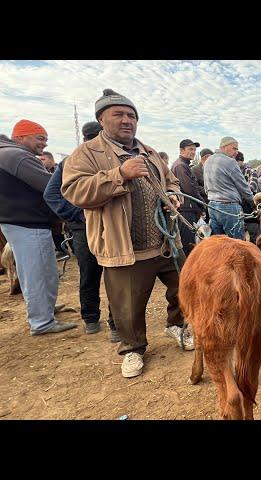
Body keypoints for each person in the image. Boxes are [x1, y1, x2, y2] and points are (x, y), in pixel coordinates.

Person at [62, 89, 193, 379]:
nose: (126, 121)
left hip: (165, 242)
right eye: (118, 114)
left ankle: (177, 325)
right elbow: (74, 191)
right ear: (101, 119)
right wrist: (119, 174)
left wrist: (173, 194)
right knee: (127, 304)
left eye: (131, 115)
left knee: (183, 288)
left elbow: (170, 180)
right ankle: (132, 348)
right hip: (125, 248)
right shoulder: (85, 154)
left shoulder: (148, 151)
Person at [0, 119, 77, 336]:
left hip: (22, 221)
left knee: (45, 269)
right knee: (36, 272)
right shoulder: (17, 156)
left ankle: (45, 309)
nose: (43, 144)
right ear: (21, 136)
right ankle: (42, 322)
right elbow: (51, 185)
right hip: (27, 222)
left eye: (45, 139)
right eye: (39, 138)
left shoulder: (9, 154)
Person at [44, 121, 119, 340]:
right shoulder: (72, 161)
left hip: (110, 227)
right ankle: (94, 319)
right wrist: (81, 215)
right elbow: (52, 195)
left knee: (112, 274)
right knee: (95, 274)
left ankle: (108, 322)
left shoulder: (109, 158)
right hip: (86, 229)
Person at [203, 136, 255, 240]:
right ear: (224, 147)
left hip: (212, 207)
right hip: (229, 208)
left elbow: (206, 187)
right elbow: (243, 187)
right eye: (234, 148)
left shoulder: (208, 161)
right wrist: (253, 202)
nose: (236, 152)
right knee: (237, 245)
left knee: (218, 243)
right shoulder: (230, 162)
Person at [171, 139, 206, 257]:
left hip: (188, 209)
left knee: (190, 242)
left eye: (195, 150)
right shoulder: (180, 166)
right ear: (182, 150)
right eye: (190, 149)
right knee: (187, 244)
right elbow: (189, 189)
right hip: (186, 210)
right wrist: (203, 204)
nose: (193, 152)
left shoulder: (183, 165)